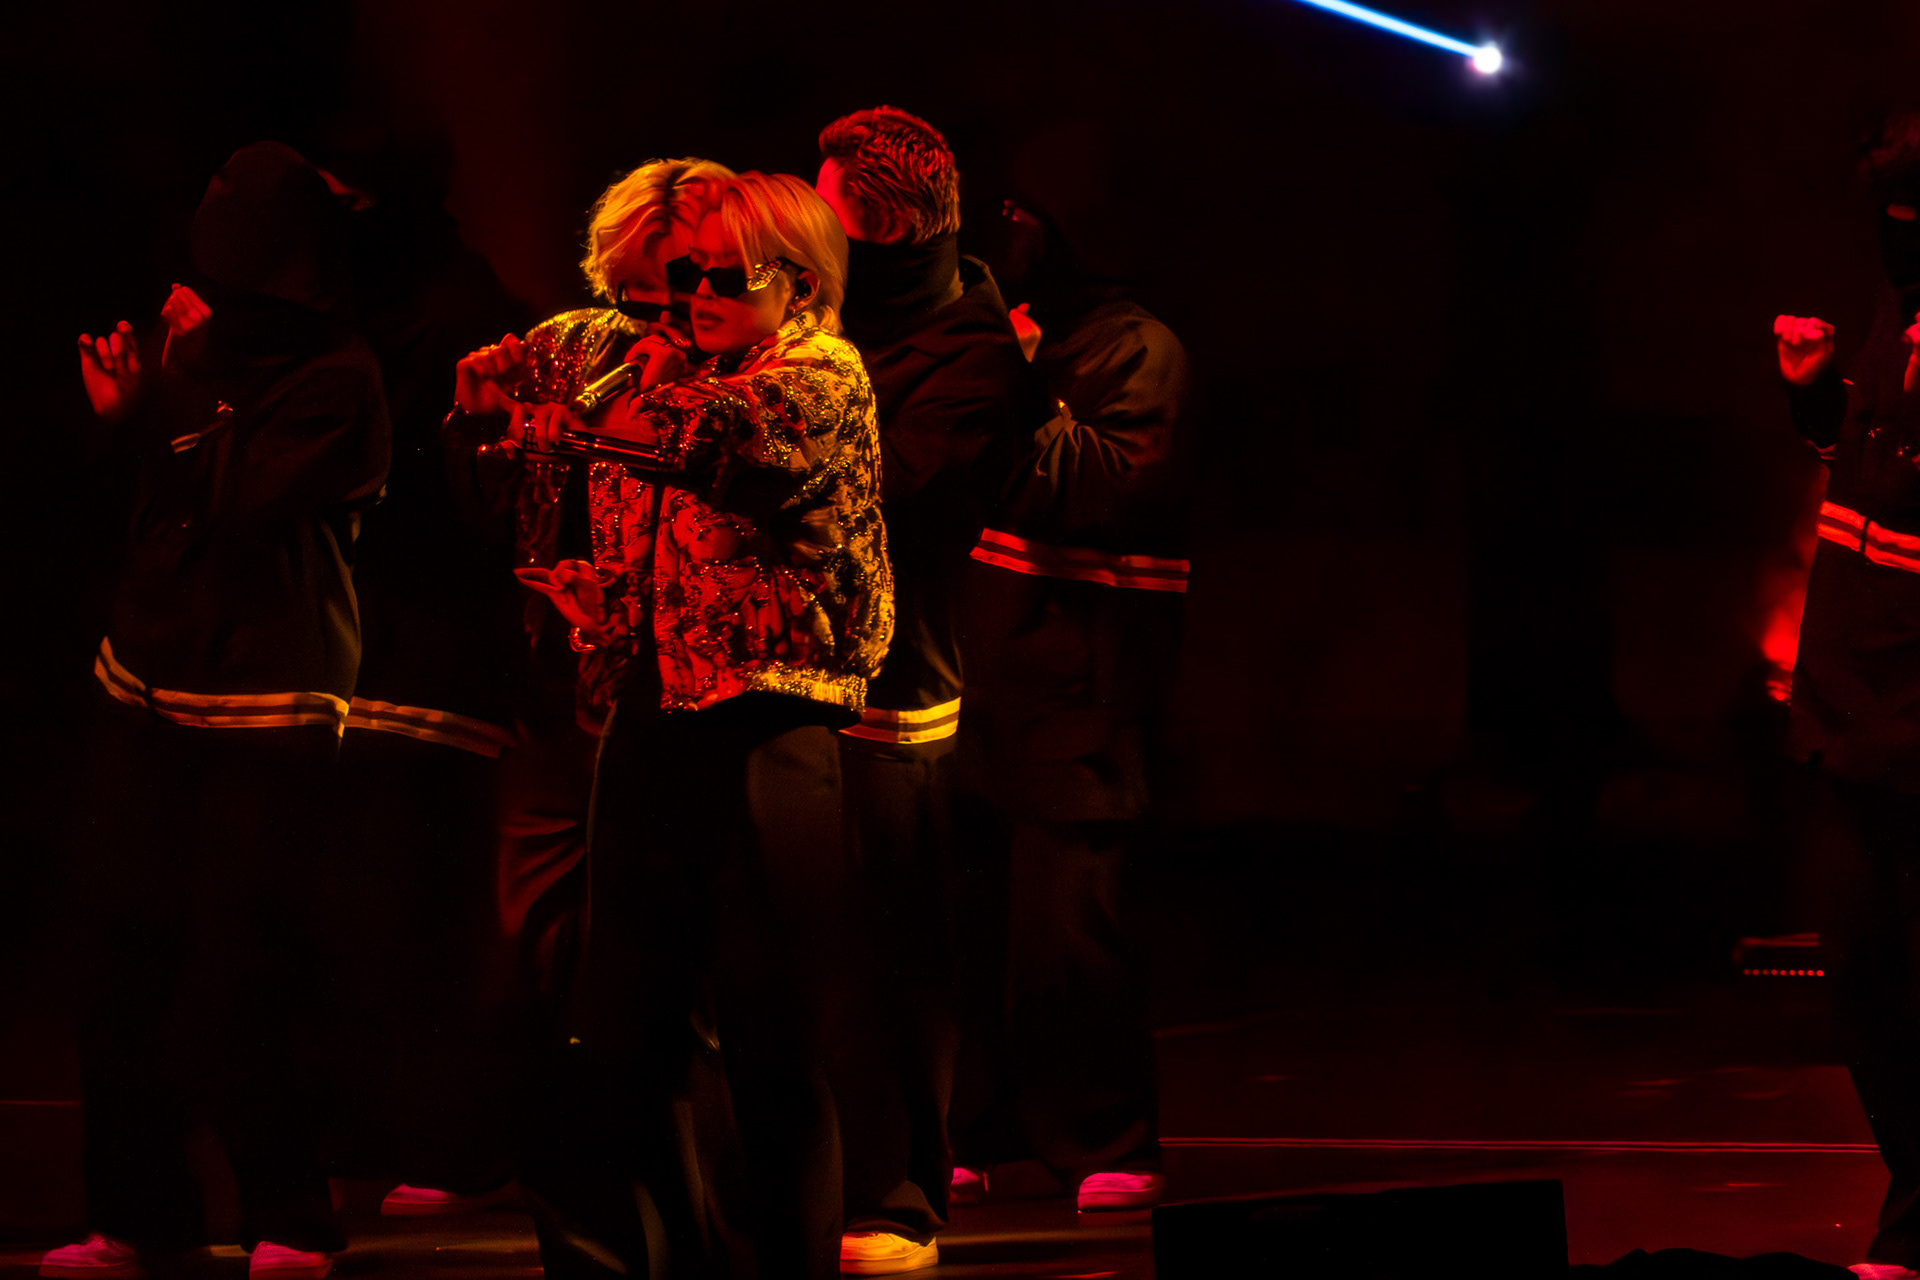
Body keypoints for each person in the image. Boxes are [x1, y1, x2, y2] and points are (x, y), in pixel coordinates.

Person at [510, 170, 891, 1280]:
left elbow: (718, 443)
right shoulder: (673, 366)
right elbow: (624, 490)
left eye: (728, 277)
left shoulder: (817, 375)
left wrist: (611, 395)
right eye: (689, 276)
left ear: (799, 284)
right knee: (626, 1028)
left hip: (768, 723)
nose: (697, 296)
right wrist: (598, 604)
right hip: (655, 718)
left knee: (770, 1038)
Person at [44, 142, 390, 1280]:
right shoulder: (193, 363)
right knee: (118, 967)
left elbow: (248, 505)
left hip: (267, 702)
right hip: (144, 684)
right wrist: (124, 415)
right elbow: (144, 505)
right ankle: (139, 1215)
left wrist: (175, 389)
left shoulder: (340, 376)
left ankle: (290, 1215)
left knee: (246, 973)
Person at [812, 105, 1046, 1276]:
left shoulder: (969, 353)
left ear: (890, 229)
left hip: (893, 691)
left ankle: (901, 1184)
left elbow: (887, 496)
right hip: (782, 676)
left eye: (830, 219)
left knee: (891, 948)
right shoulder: (819, 331)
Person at [949, 196, 1194, 1213]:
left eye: (1025, 213)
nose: (1003, 231)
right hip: (974, 673)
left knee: (1071, 926)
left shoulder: (1136, 347)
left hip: (1076, 680)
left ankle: (1105, 1135)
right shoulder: (990, 330)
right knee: (968, 922)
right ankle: (976, 1126)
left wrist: (1012, 382)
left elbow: (1107, 486)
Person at [1775, 112, 1920, 1280]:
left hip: (1915, 723)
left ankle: (1918, 1221)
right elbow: (1873, 468)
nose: (1896, 241)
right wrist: (1822, 400)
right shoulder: (1897, 307)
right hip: (1846, 712)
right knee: (1865, 983)